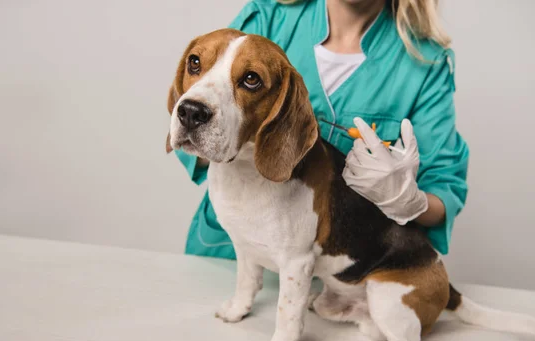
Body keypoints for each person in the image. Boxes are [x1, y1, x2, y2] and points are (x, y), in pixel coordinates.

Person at [173, 0, 469, 259]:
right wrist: (209, 130)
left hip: (335, 273)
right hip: (228, 251)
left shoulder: (425, 62)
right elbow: (200, 98)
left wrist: (409, 200)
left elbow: (444, 189)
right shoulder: (267, 16)